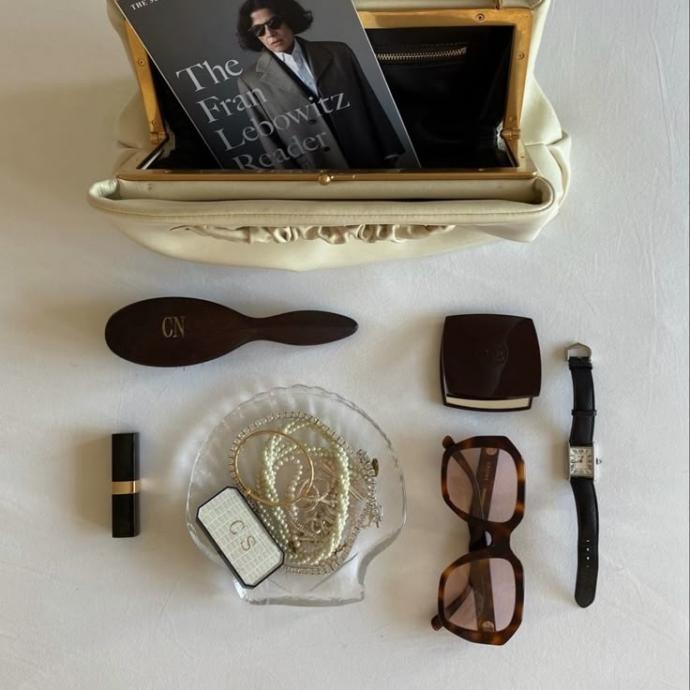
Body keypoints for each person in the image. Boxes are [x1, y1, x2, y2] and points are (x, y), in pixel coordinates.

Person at [236, 0, 405, 170]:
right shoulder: (249, 81)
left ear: (289, 18)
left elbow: (369, 101)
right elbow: (269, 140)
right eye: (258, 30)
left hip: (368, 158)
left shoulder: (339, 52)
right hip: (315, 171)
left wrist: (390, 152)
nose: (270, 33)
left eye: (274, 23)